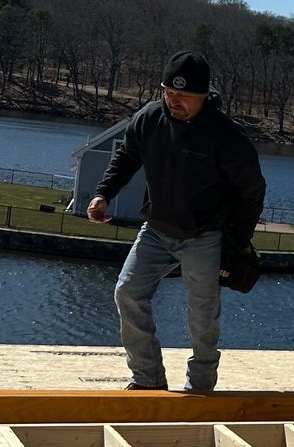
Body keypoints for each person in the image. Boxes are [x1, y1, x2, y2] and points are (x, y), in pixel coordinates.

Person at [86, 50, 266, 393]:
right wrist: (102, 194)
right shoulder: (150, 118)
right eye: (168, 92)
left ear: (203, 95)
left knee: (202, 315)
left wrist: (240, 238)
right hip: (156, 228)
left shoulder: (227, 136)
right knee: (127, 292)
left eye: (183, 95)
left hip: (205, 235)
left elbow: (252, 190)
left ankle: (200, 386)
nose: (174, 101)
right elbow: (126, 156)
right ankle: (148, 377)